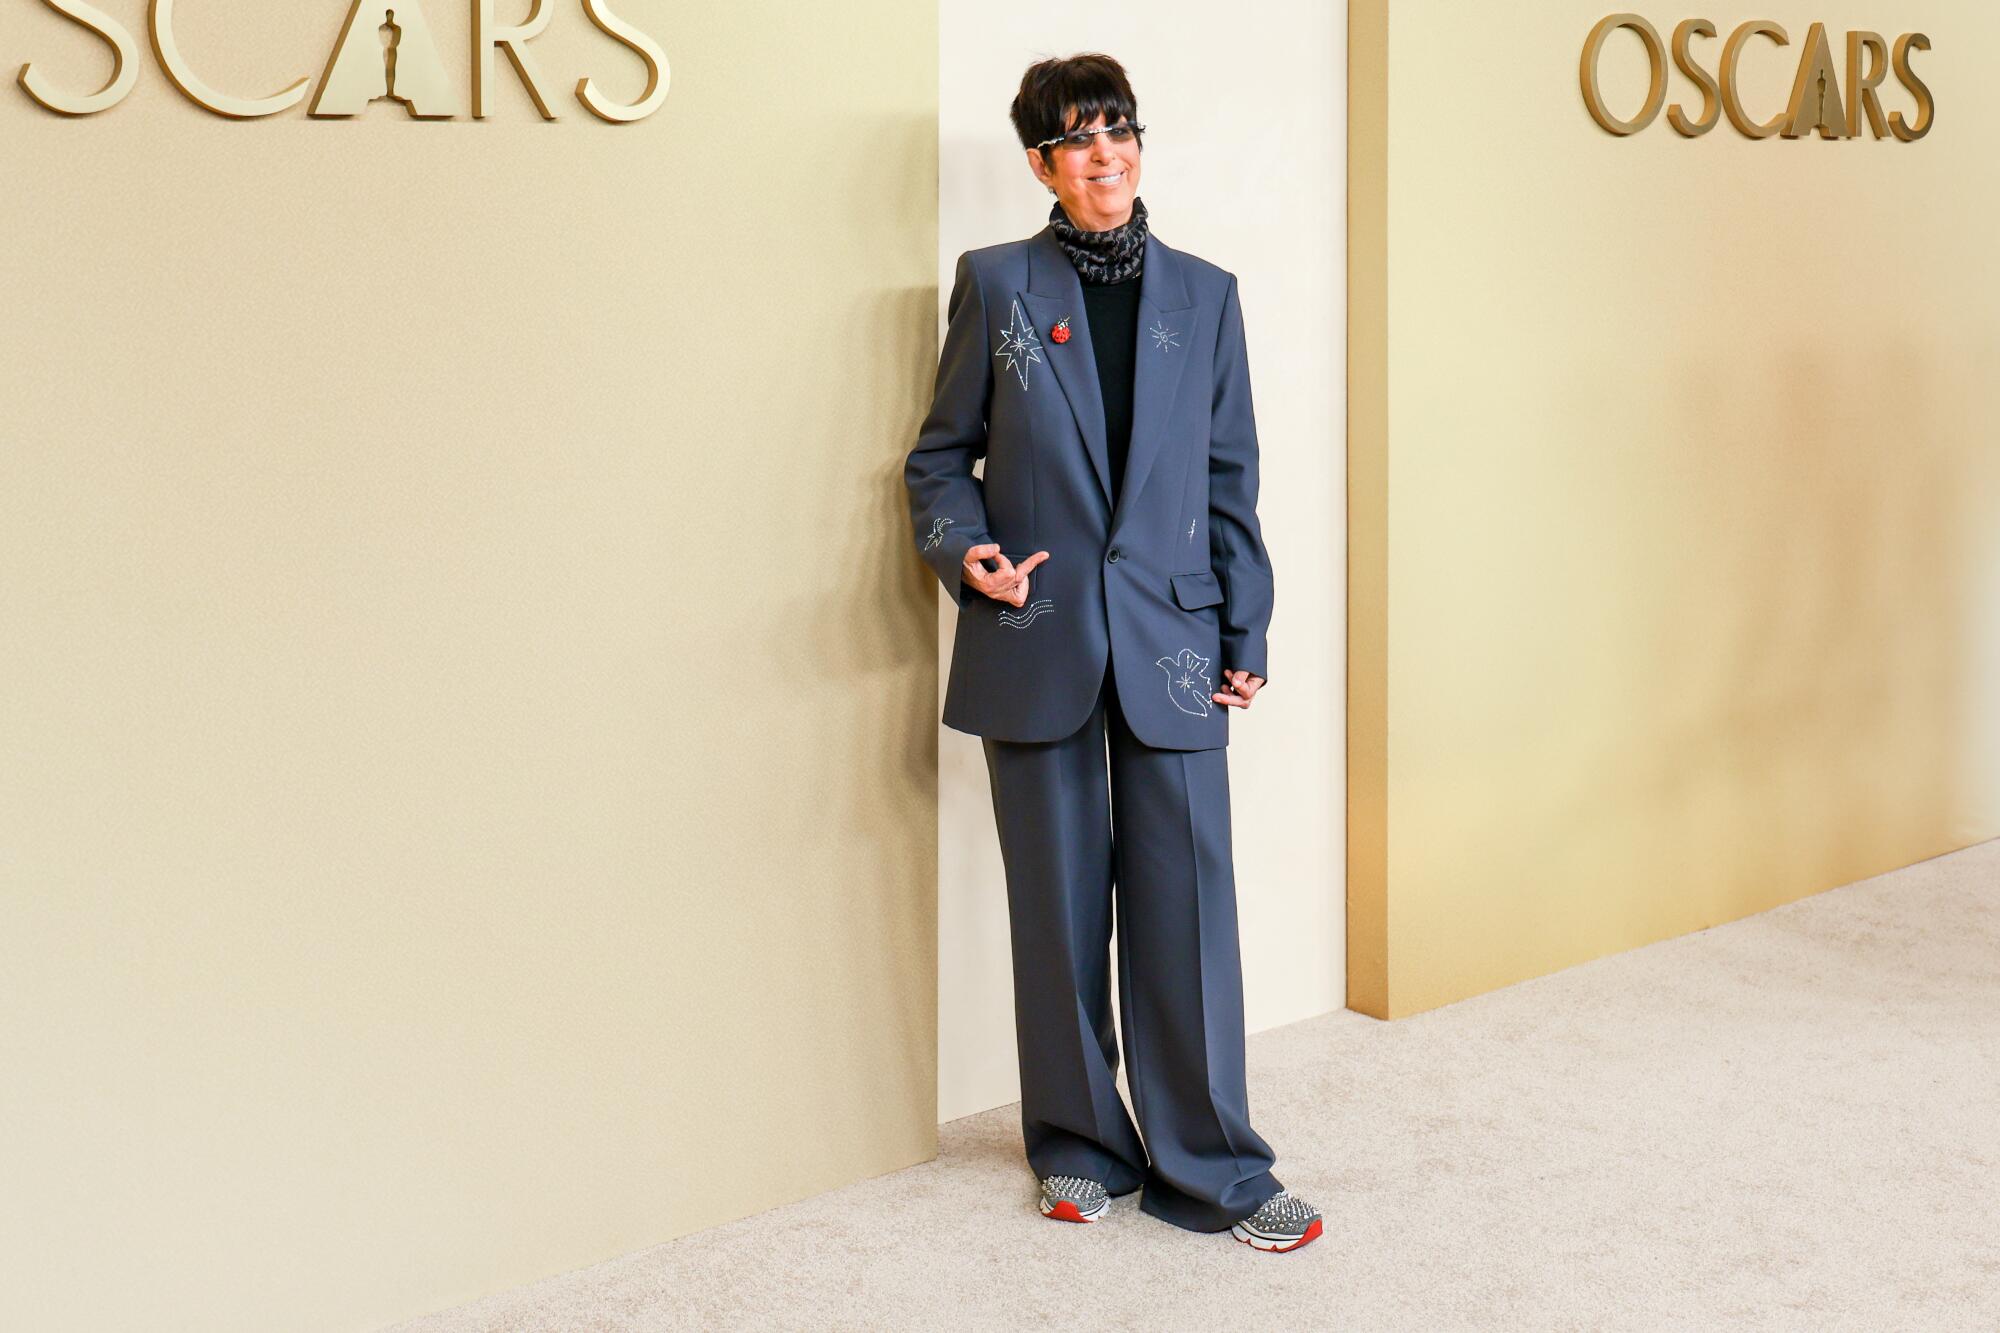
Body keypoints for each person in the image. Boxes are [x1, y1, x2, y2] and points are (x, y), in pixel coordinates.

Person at [903, 53, 1319, 1254]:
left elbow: (1229, 480)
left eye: (1119, 132)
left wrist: (1245, 625)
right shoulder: (995, 285)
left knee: (1188, 909)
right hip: (1033, 633)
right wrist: (966, 553)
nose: (1105, 155)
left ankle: (1216, 1165)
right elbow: (939, 459)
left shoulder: (1206, 295)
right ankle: (1081, 1145)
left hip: (1176, 638)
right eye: (1077, 140)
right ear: (1040, 163)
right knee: (1057, 905)